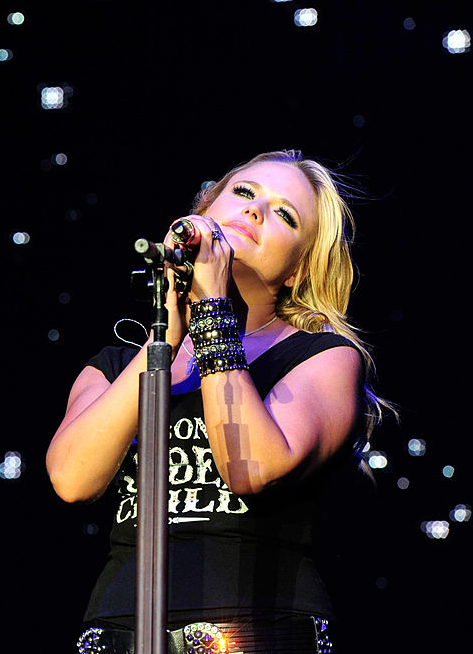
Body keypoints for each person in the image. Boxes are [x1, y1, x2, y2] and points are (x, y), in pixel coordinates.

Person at [46, 151, 389, 653]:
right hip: (121, 630)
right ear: (204, 211)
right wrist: (165, 335)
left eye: (284, 214)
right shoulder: (116, 363)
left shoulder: (323, 358)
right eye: (244, 193)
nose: (254, 211)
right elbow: (72, 480)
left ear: (297, 271)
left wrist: (211, 310)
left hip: (260, 629)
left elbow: (252, 468)